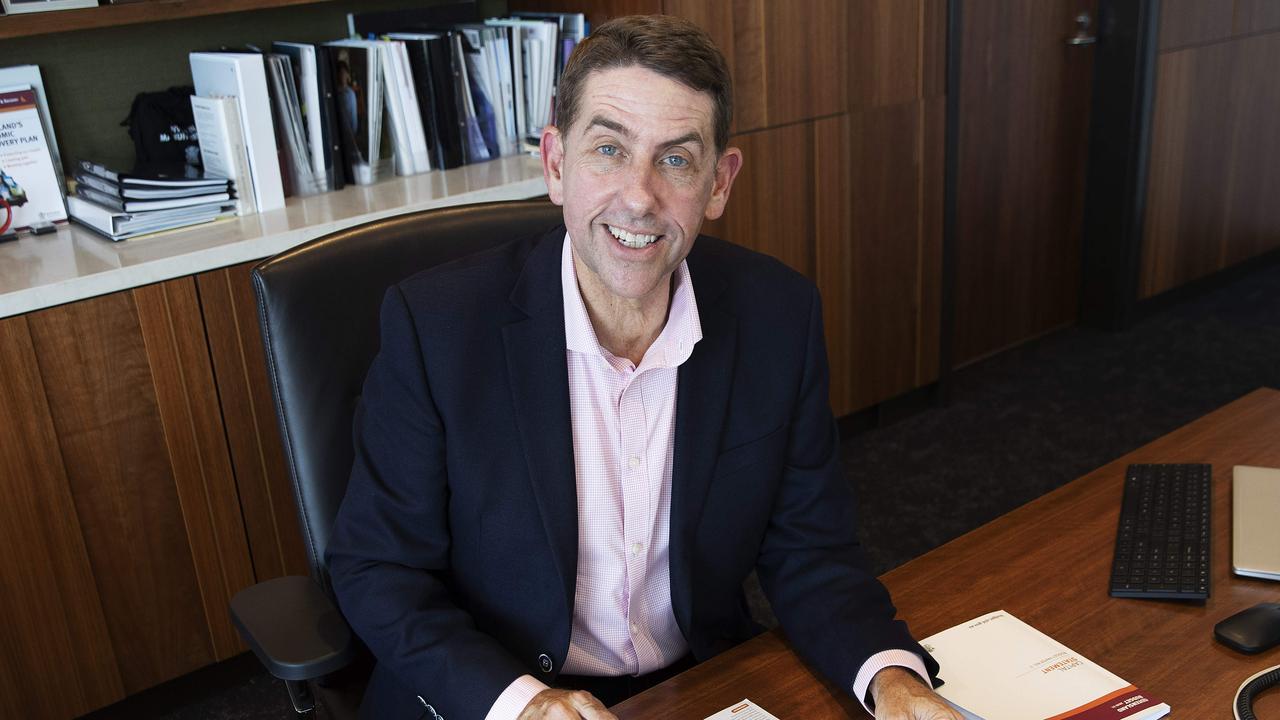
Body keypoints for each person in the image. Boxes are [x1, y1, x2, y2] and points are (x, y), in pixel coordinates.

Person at [326, 14, 962, 720]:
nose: (639, 196)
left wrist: (893, 682)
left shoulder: (779, 316)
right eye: (608, 149)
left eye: (677, 159)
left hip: (694, 685)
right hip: (491, 695)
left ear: (719, 183)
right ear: (556, 165)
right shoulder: (436, 327)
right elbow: (379, 569)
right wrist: (523, 704)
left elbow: (811, 550)